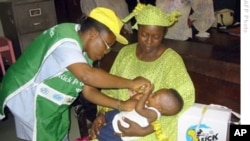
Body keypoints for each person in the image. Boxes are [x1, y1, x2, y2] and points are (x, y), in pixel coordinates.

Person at [0, 7, 151, 141]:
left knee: (59, 129)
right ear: (93, 34)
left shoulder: (84, 51)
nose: (106, 52)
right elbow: (87, 75)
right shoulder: (65, 38)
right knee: (42, 132)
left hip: (50, 96)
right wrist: (131, 83)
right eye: (107, 45)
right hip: (30, 93)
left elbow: (88, 90)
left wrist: (121, 105)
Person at [85, 3, 195, 141]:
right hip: (117, 116)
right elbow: (110, 89)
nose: (149, 41)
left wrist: (146, 130)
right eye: (144, 35)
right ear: (137, 30)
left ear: (164, 35)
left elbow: (183, 103)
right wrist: (102, 113)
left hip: (149, 130)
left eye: (156, 37)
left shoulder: (171, 61)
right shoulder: (126, 53)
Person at [97, 86, 184, 141]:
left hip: (119, 130)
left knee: (101, 133)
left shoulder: (154, 114)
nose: (150, 95)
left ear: (159, 108)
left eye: (153, 95)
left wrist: (146, 94)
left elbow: (139, 109)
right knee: (109, 115)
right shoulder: (150, 106)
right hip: (119, 117)